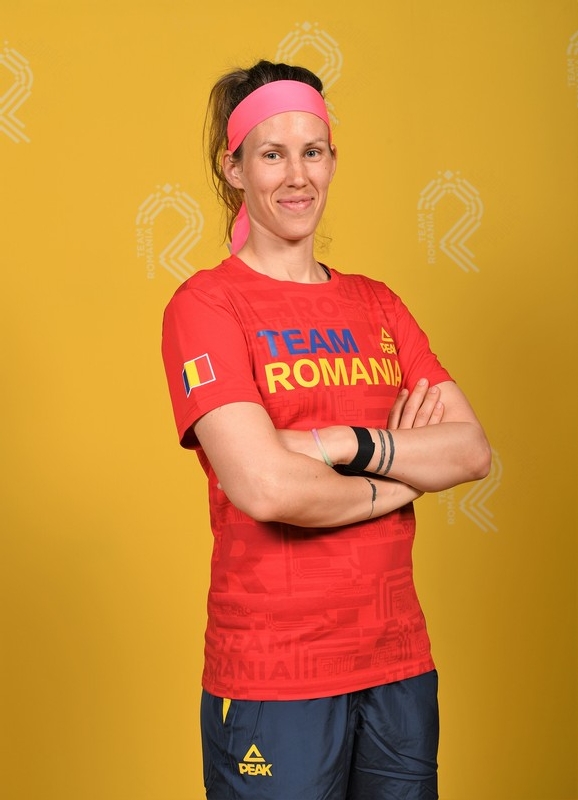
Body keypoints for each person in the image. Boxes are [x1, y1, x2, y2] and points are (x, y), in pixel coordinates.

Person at [161, 59, 491, 800]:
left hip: (399, 662)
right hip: (275, 676)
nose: (296, 176)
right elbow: (266, 488)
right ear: (235, 169)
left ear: (332, 162)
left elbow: (471, 451)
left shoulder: (379, 305)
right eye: (271, 154)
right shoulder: (206, 306)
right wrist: (404, 478)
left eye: (312, 151)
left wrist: (344, 445)